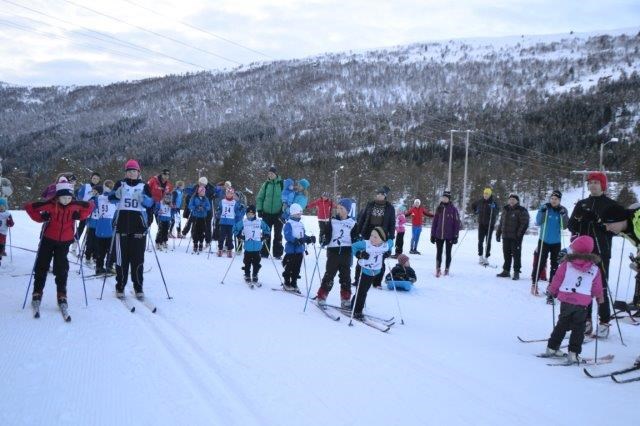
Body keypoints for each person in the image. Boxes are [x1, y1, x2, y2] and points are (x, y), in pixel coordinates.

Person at [24, 177, 94, 308]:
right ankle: (37, 292)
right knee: (42, 266)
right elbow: (29, 207)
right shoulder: (51, 205)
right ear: (58, 196)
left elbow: (90, 206)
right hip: (48, 239)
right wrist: (42, 217)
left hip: (65, 241)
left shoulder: (74, 205)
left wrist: (79, 215)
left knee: (61, 268)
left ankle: (62, 294)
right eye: (63, 197)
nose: (66, 200)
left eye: (69, 197)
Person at [567, 171, 622, 338]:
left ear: (603, 185)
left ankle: (604, 321)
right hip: (583, 252)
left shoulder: (611, 205)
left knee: (600, 287)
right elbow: (571, 226)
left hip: (601, 251)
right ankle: (586, 320)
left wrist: (598, 222)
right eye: (590, 182)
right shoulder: (582, 203)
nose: (592, 185)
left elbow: (616, 230)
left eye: (596, 182)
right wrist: (578, 219)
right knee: (584, 287)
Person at [545, 236, 604, 364]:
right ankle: (573, 353)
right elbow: (597, 287)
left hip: (566, 300)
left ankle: (551, 347)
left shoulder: (567, 264)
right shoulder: (594, 269)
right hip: (582, 303)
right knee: (579, 328)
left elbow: (557, 279)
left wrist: (552, 290)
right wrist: (599, 297)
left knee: (562, 324)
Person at [599, 203, 640, 366]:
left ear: (618, 220)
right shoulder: (625, 228)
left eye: (609, 224)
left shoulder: (637, 222)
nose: (608, 228)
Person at [109, 160, 154, 298]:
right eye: (129, 171)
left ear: (138, 172)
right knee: (121, 259)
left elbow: (151, 204)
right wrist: (117, 194)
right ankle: (120, 286)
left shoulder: (144, 186)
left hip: (138, 227)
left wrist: (143, 198)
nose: (131, 173)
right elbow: (111, 199)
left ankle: (138, 287)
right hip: (121, 225)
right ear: (126, 172)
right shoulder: (120, 184)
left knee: (137, 259)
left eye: (134, 171)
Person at [316, 198, 358, 308]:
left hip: (346, 253)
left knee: (345, 277)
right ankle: (322, 296)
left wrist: (358, 244)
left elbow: (355, 239)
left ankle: (345, 298)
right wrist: (323, 239)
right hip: (333, 252)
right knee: (329, 275)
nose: (339, 210)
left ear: (347, 210)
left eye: (342, 208)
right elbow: (326, 234)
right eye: (338, 208)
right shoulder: (332, 221)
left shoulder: (353, 223)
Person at [355, 186, 396, 288]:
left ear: (385, 196)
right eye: (378, 194)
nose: (379, 196)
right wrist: (358, 231)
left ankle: (377, 282)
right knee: (363, 255)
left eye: (381, 194)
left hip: (381, 235)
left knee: (380, 258)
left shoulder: (390, 208)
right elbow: (363, 218)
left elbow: (392, 223)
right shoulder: (370, 204)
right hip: (368, 233)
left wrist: (391, 237)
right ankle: (357, 279)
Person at [350, 226, 393, 319]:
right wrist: (359, 254)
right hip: (363, 270)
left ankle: (353, 305)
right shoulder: (366, 244)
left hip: (374, 271)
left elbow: (391, 243)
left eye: (375, 237)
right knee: (361, 291)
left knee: (363, 290)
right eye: (371, 235)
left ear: (382, 239)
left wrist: (388, 252)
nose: (372, 238)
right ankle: (357, 310)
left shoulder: (385, 245)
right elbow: (353, 246)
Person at [532, 190, 569, 297]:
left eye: (556, 199)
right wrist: (542, 211)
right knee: (540, 262)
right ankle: (534, 283)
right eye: (552, 199)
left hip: (556, 242)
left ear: (559, 200)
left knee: (555, 264)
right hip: (544, 240)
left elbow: (564, 226)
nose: (553, 201)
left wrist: (563, 216)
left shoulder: (563, 210)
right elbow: (538, 222)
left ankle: (552, 285)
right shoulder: (546, 207)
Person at [282, 203, 315, 292]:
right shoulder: (289, 224)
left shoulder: (301, 224)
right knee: (289, 267)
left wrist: (309, 239)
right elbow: (287, 235)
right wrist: (295, 240)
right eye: (297, 214)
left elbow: (303, 235)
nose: (299, 215)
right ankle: (287, 282)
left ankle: (294, 282)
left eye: (300, 213)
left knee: (297, 268)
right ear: (293, 213)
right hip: (291, 250)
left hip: (300, 250)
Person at [234, 205, 271, 285]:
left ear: (255, 214)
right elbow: (235, 228)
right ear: (246, 214)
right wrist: (239, 235)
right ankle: (247, 275)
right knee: (247, 262)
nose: (250, 215)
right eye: (248, 214)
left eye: (252, 214)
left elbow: (267, 228)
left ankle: (255, 275)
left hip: (257, 247)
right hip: (248, 247)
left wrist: (266, 235)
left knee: (256, 263)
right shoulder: (244, 221)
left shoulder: (259, 221)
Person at [496, 194, 529, 280]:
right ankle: (506, 270)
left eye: (513, 199)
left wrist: (519, 235)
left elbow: (524, 223)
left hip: (516, 237)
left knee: (516, 255)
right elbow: (501, 222)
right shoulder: (505, 209)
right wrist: (498, 233)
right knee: (506, 254)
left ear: (517, 201)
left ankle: (516, 272)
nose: (511, 201)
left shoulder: (521, 210)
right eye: (510, 199)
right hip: (506, 236)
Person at [430, 191, 461, 277]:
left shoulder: (453, 209)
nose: (444, 199)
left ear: (449, 199)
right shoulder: (439, 208)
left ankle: (447, 269)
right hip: (439, 235)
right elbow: (435, 222)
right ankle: (438, 269)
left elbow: (457, 223)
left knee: (448, 253)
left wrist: (456, 235)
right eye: (443, 197)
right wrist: (432, 234)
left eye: (446, 198)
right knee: (439, 252)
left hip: (449, 236)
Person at [256, 166, 284, 259]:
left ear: (276, 174)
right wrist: (259, 209)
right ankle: (264, 252)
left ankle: (277, 253)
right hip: (266, 213)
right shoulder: (266, 184)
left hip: (278, 214)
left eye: (272, 173)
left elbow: (286, 199)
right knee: (266, 233)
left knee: (278, 234)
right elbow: (260, 197)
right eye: (269, 173)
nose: (270, 175)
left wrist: (283, 212)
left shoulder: (282, 184)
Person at [94, 180, 116, 275]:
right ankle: (109, 266)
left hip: (101, 225)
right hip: (109, 225)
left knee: (101, 249)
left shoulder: (98, 198)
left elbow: (93, 207)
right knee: (110, 248)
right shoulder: (113, 198)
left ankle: (99, 267)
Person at [471, 188, 499, 266]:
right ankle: (480, 256)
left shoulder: (493, 202)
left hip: (490, 225)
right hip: (481, 224)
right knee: (480, 241)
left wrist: (494, 209)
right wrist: (476, 211)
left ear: (490, 195)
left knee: (488, 241)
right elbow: (473, 205)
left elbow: (497, 212)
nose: (485, 195)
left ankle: (486, 257)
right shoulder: (480, 201)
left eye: (487, 194)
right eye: (484, 194)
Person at [216, 187, 244, 257]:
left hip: (231, 222)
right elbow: (219, 210)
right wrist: (218, 211)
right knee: (221, 237)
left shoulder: (235, 203)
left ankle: (229, 250)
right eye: (228, 193)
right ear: (226, 193)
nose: (229, 194)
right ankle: (220, 249)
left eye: (231, 193)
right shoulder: (222, 201)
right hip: (223, 221)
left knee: (229, 237)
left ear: (232, 194)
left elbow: (238, 213)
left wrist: (240, 209)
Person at [74, 172, 101, 243]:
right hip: (84, 210)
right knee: (81, 227)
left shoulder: (100, 189)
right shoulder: (86, 186)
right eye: (94, 178)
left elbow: (98, 201)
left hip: (93, 212)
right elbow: (79, 197)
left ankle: (87, 245)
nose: (95, 180)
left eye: (97, 179)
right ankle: (75, 242)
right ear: (91, 178)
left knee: (90, 230)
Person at [188, 185, 212, 253]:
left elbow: (209, 207)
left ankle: (201, 243)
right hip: (196, 216)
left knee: (202, 231)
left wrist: (204, 208)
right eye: (202, 191)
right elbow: (190, 206)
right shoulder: (194, 197)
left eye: (204, 192)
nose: (203, 193)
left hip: (203, 217)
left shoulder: (206, 198)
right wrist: (196, 207)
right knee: (195, 231)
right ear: (199, 192)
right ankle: (195, 244)